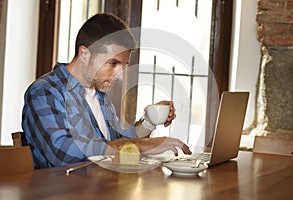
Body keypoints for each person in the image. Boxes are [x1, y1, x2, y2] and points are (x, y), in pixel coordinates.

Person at [22, 13, 191, 169]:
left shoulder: (99, 94)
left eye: (123, 66)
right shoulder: (44, 92)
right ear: (84, 54)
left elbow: (116, 142)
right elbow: (62, 153)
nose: (120, 76)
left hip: (100, 186)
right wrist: (143, 146)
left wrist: (150, 120)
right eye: (113, 63)